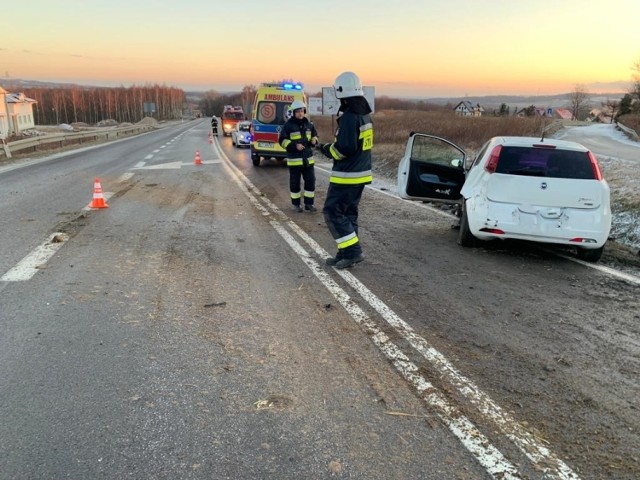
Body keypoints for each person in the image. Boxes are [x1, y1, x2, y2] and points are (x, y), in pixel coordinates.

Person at [319, 71, 373, 269]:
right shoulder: (364, 115)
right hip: (359, 174)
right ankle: (345, 253)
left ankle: (353, 252)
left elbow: (344, 149)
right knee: (348, 214)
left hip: (347, 176)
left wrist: (326, 149)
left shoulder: (350, 118)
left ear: (341, 92)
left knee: (333, 212)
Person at [278, 100, 319, 213]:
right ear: (293, 113)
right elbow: (282, 141)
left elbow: (315, 136)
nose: (300, 113)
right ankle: (296, 205)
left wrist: (314, 141)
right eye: (298, 111)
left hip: (308, 160)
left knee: (310, 181)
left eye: (302, 111)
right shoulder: (288, 125)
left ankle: (309, 204)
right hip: (294, 161)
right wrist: (294, 146)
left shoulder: (309, 124)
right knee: (295, 183)